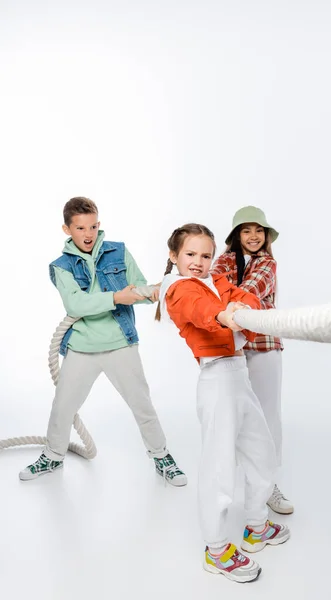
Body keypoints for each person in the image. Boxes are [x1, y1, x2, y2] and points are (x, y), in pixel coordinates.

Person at [19, 197, 186, 487]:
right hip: (82, 348)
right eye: (81, 227)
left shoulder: (119, 252)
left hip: (120, 343)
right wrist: (116, 297)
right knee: (63, 406)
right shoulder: (60, 266)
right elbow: (76, 304)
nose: (88, 234)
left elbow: (139, 287)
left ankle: (161, 456)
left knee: (141, 404)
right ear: (66, 229)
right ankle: (54, 454)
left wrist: (159, 291)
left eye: (93, 226)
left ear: (99, 224)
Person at [157, 223, 290, 583]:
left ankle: (255, 526)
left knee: (261, 452)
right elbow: (202, 312)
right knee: (219, 464)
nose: (198, 262)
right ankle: (216, 550)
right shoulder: (179, 289)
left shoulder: (214, 282)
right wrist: (224, 315)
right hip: (216, 380)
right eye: (190, 255)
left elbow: (246, 299)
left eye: (205, 255)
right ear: (174, 256)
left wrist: (235, 310)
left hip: (239, 377)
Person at [211, 206, 293, 514]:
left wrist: (227, 303)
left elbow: (250, 292)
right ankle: (227, 488)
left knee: (268, 415)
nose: (254, 236)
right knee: (232, 416)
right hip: (230, 346)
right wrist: (225, 302)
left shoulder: (268, 263)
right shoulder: (221, 261)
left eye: (259, 230)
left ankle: (268, 484)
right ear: (236, 236)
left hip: (264, 346)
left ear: (267, 235)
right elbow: (214, 288)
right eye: (247, 231)